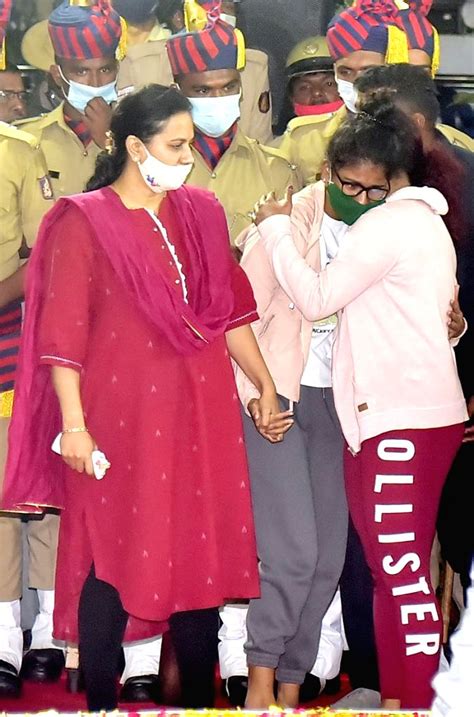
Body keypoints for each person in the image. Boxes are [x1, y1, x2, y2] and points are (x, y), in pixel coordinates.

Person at [1, 83, 284, 711]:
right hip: (116, 419)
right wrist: (73, 426)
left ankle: (201, 705)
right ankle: (101, 702)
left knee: (201, 556)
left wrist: (263, 386)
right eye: (175, 145)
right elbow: (62, 336)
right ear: (135, 145)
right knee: (109, 554)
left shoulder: (203, 212)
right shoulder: (82, 219)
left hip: (201, 412)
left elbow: (231, 314)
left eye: (188, 146)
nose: (186, 157)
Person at [252, 98, 467, 710]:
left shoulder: (389, 225)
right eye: (343, 183)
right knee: (390, 572)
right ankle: (402, 698)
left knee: (398, 574)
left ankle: (421, 701)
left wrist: (271, 228)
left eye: (360, 183)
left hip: (398, 417)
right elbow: (436, 320)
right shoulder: (426, 222)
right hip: (401, 413)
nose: (353, 194)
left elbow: (318, 297)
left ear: (386, 173)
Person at [0, 0, 61, 698]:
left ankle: (42, 635)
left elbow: (42, 253)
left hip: (19, 334)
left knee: (34, 487)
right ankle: (6, 636)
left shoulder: (21, 151)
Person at [166, 11, 300, 245]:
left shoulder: (275, 169)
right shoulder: (159, 168)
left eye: (228, 87)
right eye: (203, 91)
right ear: (177, 93)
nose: (219, 98)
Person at [274, 36, 342, 138]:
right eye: (304, 87)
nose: (317, 93)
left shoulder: (366, 141)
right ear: (292, 98)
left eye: (329, 84)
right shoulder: (279, 149)